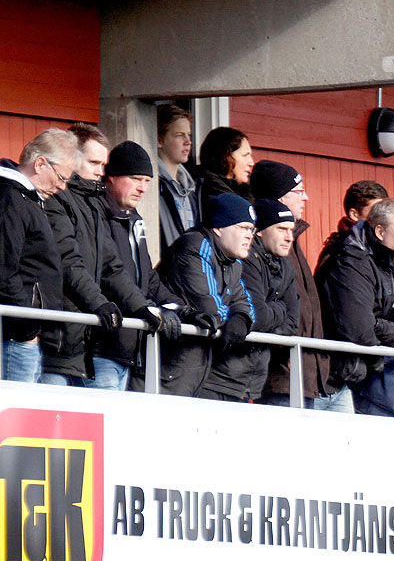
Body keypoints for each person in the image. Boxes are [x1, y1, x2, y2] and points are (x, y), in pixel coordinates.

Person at [39, 128, 163, 389]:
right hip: (54, 342)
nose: (100, 171)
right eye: (94, 163)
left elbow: (111, 266)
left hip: (78, 344)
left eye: (104, 164)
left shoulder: (93, 204)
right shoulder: (56, 199)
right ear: (71, 159)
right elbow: (68, 263)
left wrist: (141, 307)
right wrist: (100, 304)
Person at [90, 141, 189, 391]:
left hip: (130, 350)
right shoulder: (96, 215)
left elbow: (148, 279)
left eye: (146, 181)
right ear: (110, 177)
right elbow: (110, 275)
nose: (143, 188)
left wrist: (184, 309)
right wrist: (147, 309)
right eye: (135, 179)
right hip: (102, 347)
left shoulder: (134, 219)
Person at [314, 198, 394, 415]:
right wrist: (386, 329)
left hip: (347, 381)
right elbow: (360, 330)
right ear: (380, 232)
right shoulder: (351, 259)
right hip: (323, 379)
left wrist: (378, 326)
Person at [157, 193, 257, 397]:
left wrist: (242, 319)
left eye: (251, 229)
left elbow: (245, 303)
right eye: (242, 227)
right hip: (167, 367)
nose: (250, 235)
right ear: (219, 228)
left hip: (192, 368)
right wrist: (231, 317)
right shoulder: (195, 246)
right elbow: (209, 309)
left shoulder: (233, 262)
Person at [250, 160, 330, 406]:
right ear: (281, 199)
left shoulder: (290, 241)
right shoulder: (266, 245)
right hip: (282, 373)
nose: (305, 197)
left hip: (303, 373)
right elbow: (265, 308)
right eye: (298, 191)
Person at [206, 199, 299, 403]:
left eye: (291, 230)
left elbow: (293, 322)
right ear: (259, 231)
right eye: (282, 229)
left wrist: (266, 323)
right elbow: (257, 316)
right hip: (219, 376)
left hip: (253, 381)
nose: (289, 238)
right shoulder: (245, 258)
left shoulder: (286, 266)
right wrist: (279, 310)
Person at [0, 129, 72, 382]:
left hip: (23, 334)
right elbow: (4, 271)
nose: (62, 187)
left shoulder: (24, 198)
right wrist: (27, 329)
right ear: (40, 163)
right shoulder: (10, 199)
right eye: (61, 177)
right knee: (14, 419)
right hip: (15, 336)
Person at [156, 104, 200, 250]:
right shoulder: (153, 186)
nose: (188, 141)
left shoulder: (191, 190)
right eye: (179, 135)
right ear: (160, 140)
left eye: (189, 135)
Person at [197, 126, 254, 201]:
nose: (251, 163)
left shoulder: (243, 191)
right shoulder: (213, 196)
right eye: (245, 155)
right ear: (225, 157)